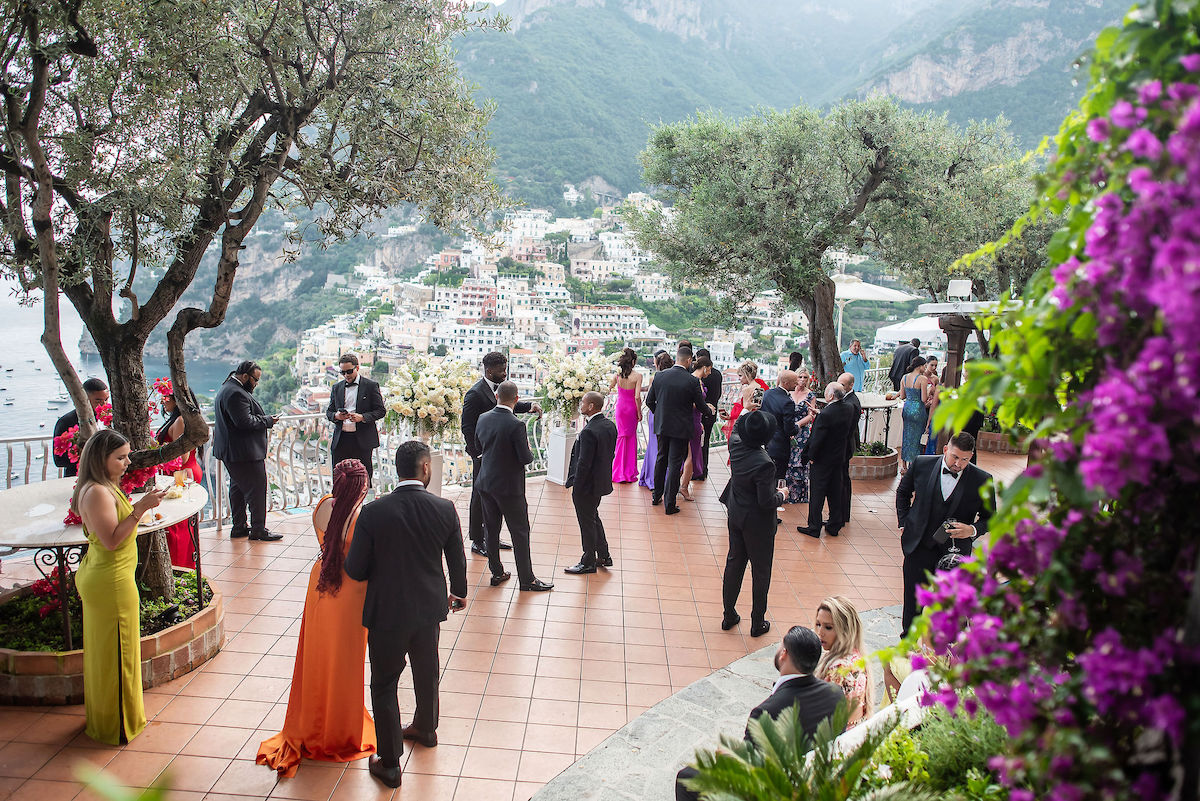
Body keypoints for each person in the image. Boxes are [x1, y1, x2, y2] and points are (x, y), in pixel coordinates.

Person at [344, 441, 469, 789]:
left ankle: (389, 762)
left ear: (397, 470)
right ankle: (426, 729)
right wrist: (458, 593)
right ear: (425, 468)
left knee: (384, 683)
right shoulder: (444, 508)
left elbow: (355, 570)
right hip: (429, 608)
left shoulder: (373, 512)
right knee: (427, 671)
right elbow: (457, 558)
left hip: (386, 612)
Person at [257, 460, 376, 777]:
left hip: (321, 586)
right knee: (346, 664)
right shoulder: (362, 517)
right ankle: (340, 729)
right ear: (361, 486)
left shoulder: (325, 506)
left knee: (318, 658)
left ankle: (312, 723)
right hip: (351, 594)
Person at [73, 429, 168, 745]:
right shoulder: (98, 492)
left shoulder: (103, 487)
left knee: (110, 651)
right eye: (121, 457)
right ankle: (117, 724)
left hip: (111, 577)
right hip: (110, 581)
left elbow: (115, 531)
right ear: (102, 459)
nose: (128, 462)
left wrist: (139, 516)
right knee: (118, 651)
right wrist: (140, 509)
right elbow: (112, 541)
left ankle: (110, 718)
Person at [674, 626, 843, 801]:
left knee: (687, 778)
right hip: (816, 782)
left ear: (784, 654)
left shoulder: (766, 712)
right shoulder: (836, 694)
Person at [896, 431, 996, 634]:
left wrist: (972, 530)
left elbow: (991, 518)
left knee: (948, 607)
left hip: (954, 554)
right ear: (945, 450)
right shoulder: (922, 464)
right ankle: (907, 646)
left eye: (965, 459)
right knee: (913, 603)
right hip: (919, 546)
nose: (958, 464)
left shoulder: (982, 479)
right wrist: (905, 523)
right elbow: (903, 493)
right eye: (955, 457)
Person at [475, 381, 554, 591]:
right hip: (509, 487)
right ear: (516, 399)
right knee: (519, 532)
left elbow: (478, 446)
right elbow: (526, 458)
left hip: (485, 482)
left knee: (491, 530)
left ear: (496, 396)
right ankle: (527, 580)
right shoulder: (516, 424)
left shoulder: (482, 418)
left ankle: (497, 572)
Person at [461, 352, 539, 557]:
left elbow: (506, 405)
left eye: (505, 369)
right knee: (478, 497)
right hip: (483, 455)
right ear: (489, 371)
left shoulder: (499, 390)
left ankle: (490, 536)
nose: (505, 373)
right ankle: (477, 540)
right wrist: (477, 454)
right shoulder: (474, 394)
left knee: (491, 499)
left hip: (497, 456)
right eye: (501, 370)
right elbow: (467, 427)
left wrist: (529, 406)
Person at [719, 411, 784, 638]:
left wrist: (748, 409)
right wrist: (782, 495)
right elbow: (766, 501)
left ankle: (729, 615)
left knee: (734, 563)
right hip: (758, 523)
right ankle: (757, 622)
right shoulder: (764, 463)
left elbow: (737, 427)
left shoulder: (735, 444)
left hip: (736, 513)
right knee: (761, 570)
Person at [212, 360, 282, 541]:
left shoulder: (227, 388)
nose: (256, 384)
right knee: (257, 489)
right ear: (245, 377)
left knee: (237, 489)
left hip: (233, 452)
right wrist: (268, 421)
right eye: (255, 380)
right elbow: (244, 422)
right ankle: (258, 529)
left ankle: (239, 526)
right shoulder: (236, 393)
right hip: (244, 452)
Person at [645, 344, 710, 514]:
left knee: (661, 459)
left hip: (662, 425)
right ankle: (669, 504)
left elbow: (649, 401)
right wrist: (710, 411)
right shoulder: (692, 381)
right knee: (674, 463)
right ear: (689, 360)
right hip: (681, 428)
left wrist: (659, 414)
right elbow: (701, 406)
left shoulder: (659, 376)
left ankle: (656, 496)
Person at [564, 391, 618, 574]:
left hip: (586, 486)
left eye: (583, 403)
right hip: (601, 482)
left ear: (591, 406)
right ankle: (603, 555)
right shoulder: (610, 426)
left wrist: (576, 487)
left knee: (586, 522)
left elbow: (583, 463)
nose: (581, 405)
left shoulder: (589, 431)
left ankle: (588, 561)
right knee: (593, 518)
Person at [153, 379, 202, 568]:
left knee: (177, 523)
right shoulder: (179, 418)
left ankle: (180, 564)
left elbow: (181, 457)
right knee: (178, 522)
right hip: (181, 472)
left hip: (181, 473)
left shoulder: (181, 420)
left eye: (166, 396)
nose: (163, 400)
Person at [797, 383, 856, 539]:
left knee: (817, 493)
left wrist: (811, 457)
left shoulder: (826, 415)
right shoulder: (848, 408)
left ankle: (814, 527)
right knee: (835, 491)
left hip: (822, 460)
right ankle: (834, 525)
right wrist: (821, 413)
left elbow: (817, 439)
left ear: (830, 396)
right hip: (838, 457)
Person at [325, 353, 387, 485]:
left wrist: (362, 417)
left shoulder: (370, 386)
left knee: (364, 477)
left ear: (357, 368)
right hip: (341, 439)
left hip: (362, 440)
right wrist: (336, 416)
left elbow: (381, 411)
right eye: (343, 372)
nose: (346, 375)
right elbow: (329, 412)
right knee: (339, 477)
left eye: (349, 371)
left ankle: (364, 504)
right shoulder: (337, 387)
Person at [814, 595, 873, 729]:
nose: (820, 632)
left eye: (828, 627)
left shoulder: (839, 669)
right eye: (818, 624)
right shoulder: (856, 656)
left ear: (845, 629)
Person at [52, 377, 109, 477]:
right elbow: (59, 460)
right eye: (98, 401)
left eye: (106, 400)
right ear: (85, 399)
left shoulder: (109, 419)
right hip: (77, 477)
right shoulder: (66, 422)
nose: (104, 405)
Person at [679, 355, 713, 501]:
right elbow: (690, 402)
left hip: (691, 419)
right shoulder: (695, 382)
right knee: (691, 456)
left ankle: (678, 485)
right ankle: (684, 487)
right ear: (704, 367)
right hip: (692, 420)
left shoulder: (689, 378)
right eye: (709, 369)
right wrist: (707, 407)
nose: (710, 373)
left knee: (686, 455)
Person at [637, 351, 671, 491]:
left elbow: (649, 398)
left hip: (655, 414)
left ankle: (652, 477)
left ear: (657, 364)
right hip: (667, 415)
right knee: (663, 448)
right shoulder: (671, 378)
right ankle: (663, 479)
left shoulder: (655, 378)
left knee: (654, 446)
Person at [608, 348, 643, 484]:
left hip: (620, 409)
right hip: (631, 410)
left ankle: (617, 471)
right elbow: (637, 397)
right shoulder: (638, 376)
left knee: (621, 437)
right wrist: (639, 412)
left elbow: (609, 388)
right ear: (633, 361)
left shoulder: (618, 375)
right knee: (631, 438)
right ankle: (629, 472)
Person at [833, 372, 862, 531]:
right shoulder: (848, 399)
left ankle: (841, 515)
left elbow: (846, 428)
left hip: (844, 446)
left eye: (843, 385)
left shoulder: (852, 403)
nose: (839, 387)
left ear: (851, 386)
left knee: (842, 481)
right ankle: (842, 514)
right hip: (844, 446)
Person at [760, 370, 800, 483]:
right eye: (794, 382)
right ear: (786, 383)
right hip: (779, 445)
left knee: (765, 477)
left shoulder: (767, 393)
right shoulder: (787, 402)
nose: (797, 384)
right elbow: (789, 430)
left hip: (765, 441)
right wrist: (798, 426)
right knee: (778, 477)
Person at [784, 373, 818, 504]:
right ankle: (785, 493)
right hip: (788, 430)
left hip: (802, 432)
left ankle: (798, 495)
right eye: (800, 377)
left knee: (799, 461)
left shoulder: (810, 395)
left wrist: (798, 425)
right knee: (787, 460)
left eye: (805, 377)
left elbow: (811, 415)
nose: (802, 380)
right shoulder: (789, 393)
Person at [899, 356, 932, 474]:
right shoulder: (922, 379)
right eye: (924, 365)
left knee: (906, 435)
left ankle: (904, 464)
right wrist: (929, 391)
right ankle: (914, 463)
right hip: (918, 409)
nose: (925, 368)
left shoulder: (904, 377)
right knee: (917, 437)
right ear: (920, 366)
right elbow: (924, 398)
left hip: (907, 408)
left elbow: (902, 396)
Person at [695, 347, 723, 481]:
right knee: (705, 442)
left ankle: (696, 469)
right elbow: (719, 394)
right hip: (711, 413)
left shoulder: (696, 375)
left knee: (695, 442)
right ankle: (703, 469)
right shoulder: (717, 374)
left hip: (699, 412)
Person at [720, 361, 767, 439]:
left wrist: (731, 417)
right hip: (760, 420)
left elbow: (746, 410)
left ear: (747, 375)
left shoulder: (747, 389)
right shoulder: (761, 385)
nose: (739, 379)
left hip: (749, 423)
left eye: (740, 376)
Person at [922, 357, 941, 456]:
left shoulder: (935, 378)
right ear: (926, 364)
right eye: (932, 365)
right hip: (922, 407)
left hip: (931, 407)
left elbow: (937, 394)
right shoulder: (921, 376)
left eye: (936, 365)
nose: (934, 367)